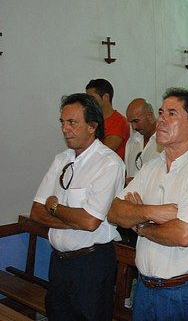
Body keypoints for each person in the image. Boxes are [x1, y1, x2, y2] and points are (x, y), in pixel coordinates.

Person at [108, 88, 188, 321]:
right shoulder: (151, 167)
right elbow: (114, 211)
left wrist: (140, 225)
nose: (161, 119)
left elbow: (183, 234)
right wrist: (154, 212)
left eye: (172, 113)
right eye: (161, 112)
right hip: (144, 288)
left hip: (183, 293)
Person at [30, 93, 125, 320]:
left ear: (92, 126)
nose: (65, 129)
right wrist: (72, 220)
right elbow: (36, 211)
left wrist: (54, 208)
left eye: (72, 122)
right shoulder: (61, 159)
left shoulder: (109, 163)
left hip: (90, 264)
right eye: (62, 122)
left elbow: (90, 222)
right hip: (60, 262)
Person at [86, 78, 129, 160]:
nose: (88, 102)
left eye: (92, 98)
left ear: (106, 97)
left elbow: (105, 150)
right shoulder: (92, 120)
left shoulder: (119, 121)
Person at [124, 98, 162, 184]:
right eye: (131, 122)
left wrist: (137, 183)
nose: (133, 127)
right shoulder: (131, 142)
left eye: (136, 121)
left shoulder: (166, 143)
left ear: (150, 115)